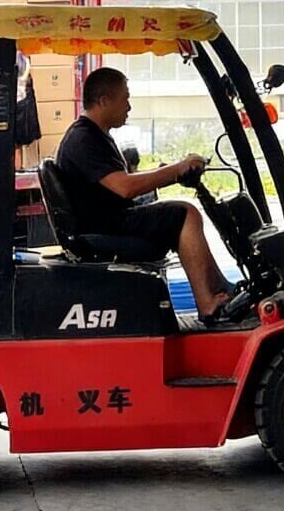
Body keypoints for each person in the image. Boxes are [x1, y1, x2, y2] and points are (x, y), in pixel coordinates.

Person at [56, 67, 239, 324]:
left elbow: (117, 186)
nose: (129, 106)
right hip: (104, 226)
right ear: (104, 101)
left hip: (108, 217)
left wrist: (165, 174)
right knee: (184, 214)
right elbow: (124, 187)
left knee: (178, 212)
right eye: (125, 98)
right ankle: (208, 304)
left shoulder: (94, 135)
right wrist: (174, 171)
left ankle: (220, 289)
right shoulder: (83, 139)